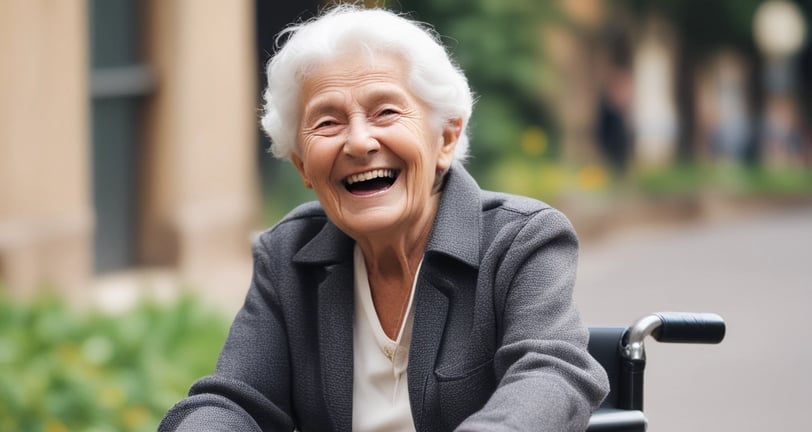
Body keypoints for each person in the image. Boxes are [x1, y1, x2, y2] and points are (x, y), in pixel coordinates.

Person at [160, 5, 608, 431]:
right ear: (302, 168)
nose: (358, 142)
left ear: (446, 139)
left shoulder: (518, 240)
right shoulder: (288, 256)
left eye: (386, 112)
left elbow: (552, 374)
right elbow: (236, 399)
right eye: (328, 122)